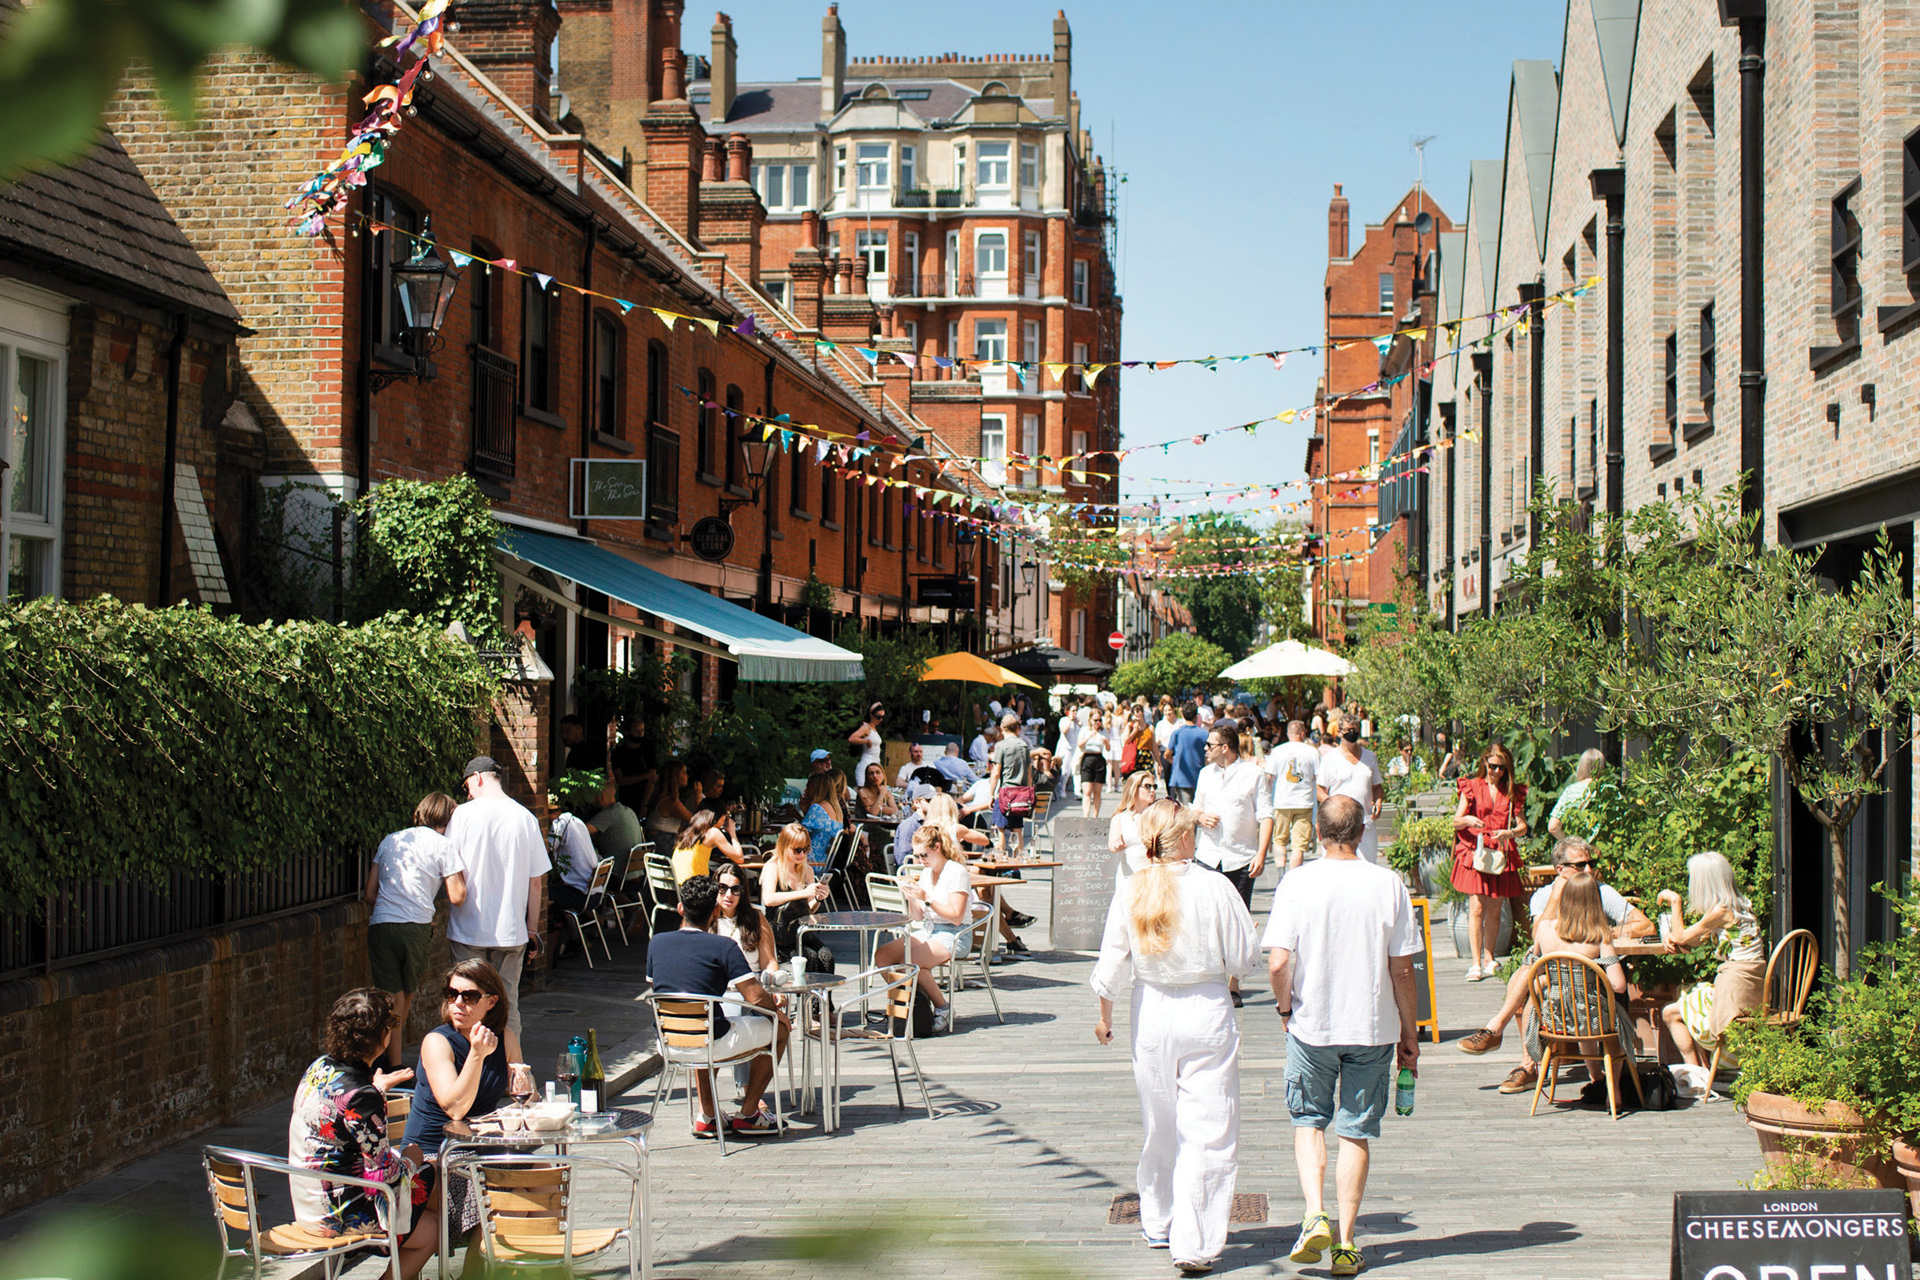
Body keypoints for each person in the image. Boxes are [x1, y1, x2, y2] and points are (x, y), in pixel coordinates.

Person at [1090, 799, 1260, 1274]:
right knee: (1208, 1129)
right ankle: (1196, 1240)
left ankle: (1160, 1219)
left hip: (1151, 1011)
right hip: (1205, 1006)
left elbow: (1110, 965)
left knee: (1160, 1121)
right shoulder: (1215, 886)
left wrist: (1104, 1017)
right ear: (1185, 838)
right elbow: (1244, 958)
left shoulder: (1131, 889)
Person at [1266, 796, 1420, 1278]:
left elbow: (1277, 961)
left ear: (1317, 829)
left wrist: (1285, 1007)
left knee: (1310, 1120)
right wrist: (1409, 1035)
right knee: (1356, 1130)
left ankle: (1315, 1213)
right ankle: (1348, 1243)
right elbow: (1403, 970)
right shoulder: (1387, 884)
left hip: (1313, 1024)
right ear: (1362, 830)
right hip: (1372, 1027)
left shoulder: (1298, 882)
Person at [1457, 837, 1654, 1093]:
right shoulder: (1543, 897)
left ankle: (1506, 1040)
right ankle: (1525, 1058)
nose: (1589, 870)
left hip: (1587, 983)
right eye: (1580, 865)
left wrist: (1601, 932)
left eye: (1591, 863)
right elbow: (1538, 934)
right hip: (1570, 988)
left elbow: (1645, 925)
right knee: (1536, 974)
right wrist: (1556, 897)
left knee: (1535, 979)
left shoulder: (1601, 891)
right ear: (1560, 870)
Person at [289, 989, 440, 1278]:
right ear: (381, 1037)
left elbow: (338, 1113)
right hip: (340, 1213)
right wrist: (412, 1159)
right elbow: (385, 1174)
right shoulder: (362, 1095)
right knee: (432, 1203)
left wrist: (377, 1089)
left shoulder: (319, 1068)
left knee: (429, 1202)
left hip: (308, 1205)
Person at [648, 873, 790, 1136]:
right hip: (708, 1042)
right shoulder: (723, 946)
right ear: (715, 911)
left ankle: (708, 1116)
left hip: (667, 1042)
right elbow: (756, 997)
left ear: (680, 909)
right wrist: (778, 1014)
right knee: (779, 1029)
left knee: (704, 1030)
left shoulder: (657, 943)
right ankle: (748, 1114)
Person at [445, 757, 548, 1036]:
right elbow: (536, 882)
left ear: (478, 778)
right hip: (511, 929)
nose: (468, 794)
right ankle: (512, 1069)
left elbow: (449, 869)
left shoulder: (462, 816)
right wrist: (531, 929)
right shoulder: (525, 818)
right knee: (507, 1003)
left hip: (468, 927)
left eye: (468, 786)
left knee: (465, 1003)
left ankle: (471, 1070)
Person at [364, 793, 466, 1069]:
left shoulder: (391, 840)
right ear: (448, 819)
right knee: (403, 997)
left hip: (381, 924)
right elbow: (457, 896)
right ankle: (391, 1064)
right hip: (416, 926)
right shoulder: (443, 846)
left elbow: (370, 893)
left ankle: (385, 1058)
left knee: (391, 998)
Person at [1522, 872, 1632, 1095]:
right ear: (1595, 900)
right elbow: (1619, 985)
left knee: (1583, 1009)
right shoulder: (1600, 934)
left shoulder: (1544, 929)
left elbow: (1536, 968)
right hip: (1590, 1017)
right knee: (1613, 1017)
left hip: (1555, 1015)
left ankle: (1596, 1077)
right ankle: (1615, 1088)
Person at [1659, 851, 1766, 1071]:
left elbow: (1681, 938)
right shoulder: (1741, 905)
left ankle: (1697, 1073)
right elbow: (1693, 943)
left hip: (1735, 990)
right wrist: (1679, 937)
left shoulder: (1720, 911)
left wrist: (1675, 901)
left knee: (1670, 1012)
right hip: (1748, 987)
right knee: (1685, 993)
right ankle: (1704, 1071)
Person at [1193, 721, 1273, 1007]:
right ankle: (1209, 976)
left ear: (1224, 748)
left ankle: (1234, 982)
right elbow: (1195, 807)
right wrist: (1199, 817)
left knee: (1239, 919)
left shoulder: (1253, 775)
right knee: (1205, 916)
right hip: (1209, 853)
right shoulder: (1205, 774)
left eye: (1209, 745)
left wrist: (1262, 853)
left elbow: (1266, 815)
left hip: (1241, 856)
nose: (1205, 750)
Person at [874, 822, 977, 1035]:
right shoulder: (926, 873)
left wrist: (927, 898)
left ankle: (943, 1008)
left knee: (909, 963)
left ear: (937, 847)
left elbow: (956, 917)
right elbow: (917, 917)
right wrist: (912, 896)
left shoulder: (955, 872)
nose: (921, 861)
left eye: (924, 855)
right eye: (917, 856)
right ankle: (910, 1006)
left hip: (954, 933)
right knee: (882, 956)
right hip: (929, 929)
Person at [1450, 742, 1528, 981]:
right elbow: (1456, 821)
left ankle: (1489, 957)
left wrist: (1510, 833)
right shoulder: (1472, 786)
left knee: (1495, 910)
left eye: (1502, 768)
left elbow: (1523, 827)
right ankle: (1474, 962)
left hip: (1500, 852)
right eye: (1493, 766)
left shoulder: (1511, 791)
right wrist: (1470, 819)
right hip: (1477, 850)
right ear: (1485, 762)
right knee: (1476, 907)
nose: (1496, 772)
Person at [761, 823, 833, 968]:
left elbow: (808, 909)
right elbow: (768, 899)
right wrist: (803, 893)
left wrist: (819, 897)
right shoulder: (773, 867)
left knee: (827, 958)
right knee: (809, 958)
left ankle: (823, 991)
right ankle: (805, 991)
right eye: (797, 850)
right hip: (779, 936)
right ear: (784, 846)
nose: (801, 855)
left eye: (805, 850)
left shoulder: (807, 871)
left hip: (801, 932)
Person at [1316, 715, 1385, 863]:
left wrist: (1378, 803)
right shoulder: (1330, 759)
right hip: (1338, 825)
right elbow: (1320, 790)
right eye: (1348, 730)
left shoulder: (1369, 757)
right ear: (1339, 732)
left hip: (1365, 824)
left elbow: (1377, 786)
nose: (1352, 732)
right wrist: (1334, 805)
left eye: (1355, 729)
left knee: (1367, 866)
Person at [1266, 720, 1320, 871]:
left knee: (1279, 841)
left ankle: (1281, 873)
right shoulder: (1312, 752)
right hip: (1304, 802)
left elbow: (1269, 778)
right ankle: (1292, 877)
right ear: (1302, 734)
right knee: (1299, 846)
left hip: (1281, 802)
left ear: (1288, 734)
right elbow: (1318, 779)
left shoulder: (1277, 751)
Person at [713, 866, 775, 974]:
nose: (728, 895)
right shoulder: (704, 917)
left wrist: (774, 987)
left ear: (742, 892)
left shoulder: (755, 918)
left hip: (752, 985)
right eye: (722, 888)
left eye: (735, 889)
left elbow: (769, 963)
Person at [988, 711, 1034, 857]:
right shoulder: (1024, 746)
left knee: (1000, 828)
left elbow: (996, 772)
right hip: (1020, 794)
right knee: (1017, 829)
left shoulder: (1001, 746)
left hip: (1005, 793)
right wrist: (1029, 791)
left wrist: (991, 794)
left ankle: (1001, 859)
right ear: (1017, 728)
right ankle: (1017, 863)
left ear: (1002, 728)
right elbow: (1028, 772)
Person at [547, 794, 601, 915]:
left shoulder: (559, 825)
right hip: (595, 892)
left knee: (545, 895)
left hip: (582, 895)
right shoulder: (577, 821)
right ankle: (602, 924)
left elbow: (547, 849)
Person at [585, 779, 643, 882]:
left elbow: (582, 831)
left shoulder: (609, 813)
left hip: (617, 877)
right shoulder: (629, 811)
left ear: (600, 798)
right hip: (637, 876)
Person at [671, 808, 746, 884]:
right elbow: (739, 858)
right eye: (725, 815)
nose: (725, 819)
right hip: (695, 885)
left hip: (677, 885)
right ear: (718, 816)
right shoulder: (713, 832)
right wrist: (732, 833)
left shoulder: (688, 830)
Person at [1108, 770, 1159, 879]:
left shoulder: (1157, 816)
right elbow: (1112, 846)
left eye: (1154, 786)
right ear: (1134, 788)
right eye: (1147, 786)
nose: (1152, 790)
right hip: (1129, 875)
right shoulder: (1120, 818)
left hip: (1153, 876)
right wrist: (1117, 846)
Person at [1547, 748, 1608, 839]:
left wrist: (1570, 843)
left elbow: (1553, 827)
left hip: (1576, 849)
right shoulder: (1609, 790)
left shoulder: (1571, 791)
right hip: (1602, 849)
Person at [607, 717, 656, 813]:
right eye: (637, 731)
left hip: (645, 797)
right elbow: (620, 780)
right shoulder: (618, 753)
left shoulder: (648, 750)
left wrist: (645, 804)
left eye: (642, 730)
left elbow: (652, 778)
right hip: (627, 799)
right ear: (627, 732)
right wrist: (644, 776)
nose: (640, 734)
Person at [798, 772, 846, 869]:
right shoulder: (835, 809)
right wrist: (805, 811)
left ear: (816, 789)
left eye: (809, 787)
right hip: (824, 861)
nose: (806, 790)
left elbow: (799, 836)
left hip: (811, 861)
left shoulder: (817, 808)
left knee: (767, 850)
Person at [646, 760, 694, 850]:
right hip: (663, 844)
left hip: (661, 841)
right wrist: (698, 797)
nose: (687, 776)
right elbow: (695, 820)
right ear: (675, 777)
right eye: (684, 773)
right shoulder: (670, 802)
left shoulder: (663, 797)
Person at [1166, 705, 1209, 804]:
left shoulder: (1177, 733)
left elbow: (1167, 754)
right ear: (1196, 716)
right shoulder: (1204, 734)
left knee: (1184, 809)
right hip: (1198, 775)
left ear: (1183, 716)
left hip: (1181, 777)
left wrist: (1172, 760)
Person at [1078, 711, 1113, 821]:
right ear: (1090, 720)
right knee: (1087, 791)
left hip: (1099, 759)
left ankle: (1095, 817)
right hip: (1087, 758)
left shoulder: (1103, 731)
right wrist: (1089, 736)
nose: (1097, 723)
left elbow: (1108, 748)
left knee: (1097, 792)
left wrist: (1106, 742)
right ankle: (1086, 816)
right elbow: (1080, 745)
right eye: (1095, 720)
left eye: (1099, 720)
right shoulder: (1084, 730)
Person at [848, 703, 887, 785]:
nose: (880, 720)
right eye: (878, 717)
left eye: (882, 717)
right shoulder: (866, 727)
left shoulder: (873, 728)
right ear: (871, 715)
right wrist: (866, 741)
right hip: (866, 763)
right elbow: (852, 738)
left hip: (876, 762)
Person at [1056, 707, 1083, 799]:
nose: (1075, 713)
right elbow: (1064, 730)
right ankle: (1062, 789)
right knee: (1066, 770)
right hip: (1066, 748)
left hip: (1076, 748)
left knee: (1076, 769)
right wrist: (1070, 720)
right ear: (1068, 712)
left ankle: (1077, 791)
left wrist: (1078, 723)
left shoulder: (1077, 722)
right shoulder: (1064, 720)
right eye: (1073, 711)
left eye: (1076, 711)